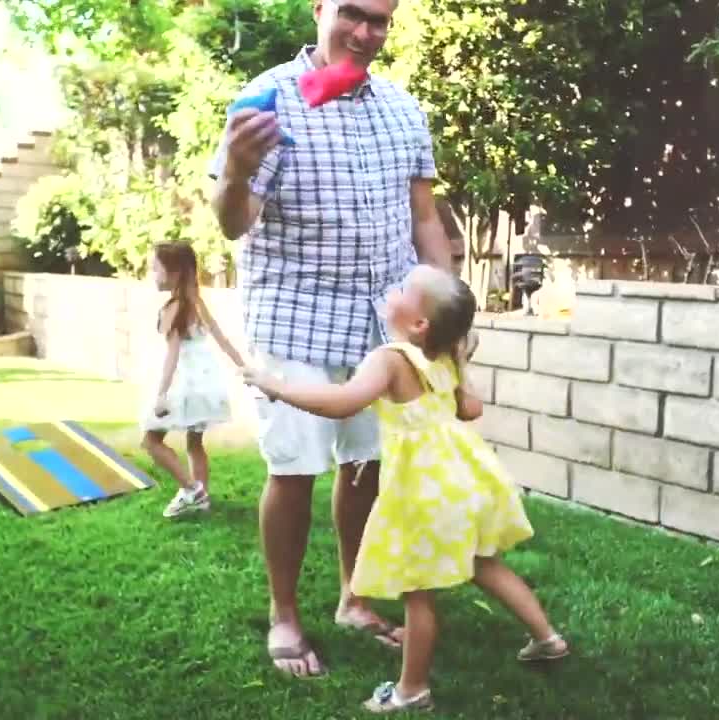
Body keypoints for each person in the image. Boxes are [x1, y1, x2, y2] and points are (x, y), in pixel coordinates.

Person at [208, 0, 453, 677]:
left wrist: (451, 310)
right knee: (292, 469)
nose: (365, 33)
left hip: (385, 322)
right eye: (352, 13)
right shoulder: (266, 99)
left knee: (367, 466)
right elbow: (234, 223)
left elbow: (424, 220)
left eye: (381, 20)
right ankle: (285, 616)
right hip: (298, 318)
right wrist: (233, 168)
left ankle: (354, 596)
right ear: (319, 8)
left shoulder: (405, 110)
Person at [245, 265, 568, 712]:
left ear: (419, 324)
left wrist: (276, 387)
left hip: (425, 492)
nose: (391, 292)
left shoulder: (391, 358)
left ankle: (411, 690)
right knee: (484, 562)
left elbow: (343, 404)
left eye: (401, 290)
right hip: (466, 481)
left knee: (419, 592)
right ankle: (547, 637)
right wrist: (460, 375)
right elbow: (470, 409)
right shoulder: (446, 358)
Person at [141, 242, 247, 518]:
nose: (151, 273)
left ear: (173, 271)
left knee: (151, 441)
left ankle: (191, 489)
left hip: (183, 382)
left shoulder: (173, 308)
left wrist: (162, 394)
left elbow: (172, 356)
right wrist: (245, 368)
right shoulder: (196, 303)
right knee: (194, 442)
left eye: (155, 268)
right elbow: (222, 339)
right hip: (205, 382)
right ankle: (202, 499)